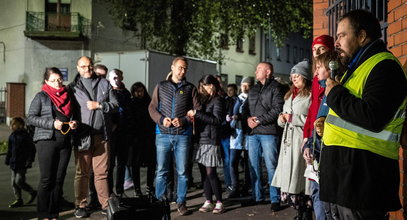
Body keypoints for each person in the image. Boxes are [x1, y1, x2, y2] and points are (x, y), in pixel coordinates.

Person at [320, 9, 407, 219]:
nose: (337, 43)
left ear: (361, 35)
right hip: (348, 177)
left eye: (342, 35)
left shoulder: (384, 66)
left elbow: (372, 117)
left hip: (363, 179)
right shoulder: (357, 67)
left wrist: (335, 93)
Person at [149, 57, 200, 216]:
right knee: (162, 171)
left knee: (183, 171)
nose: (182, 71)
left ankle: (181, 202)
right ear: (172, 67)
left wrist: (184, 120)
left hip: (183, 135)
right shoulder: (161, 86)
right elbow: (152, 107)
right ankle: (159, 203)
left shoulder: (191, 88)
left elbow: (197, 109)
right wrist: (161, 119)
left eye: (185, 68)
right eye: (180, 67)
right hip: (163, 134)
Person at [69, 56, 119, 218]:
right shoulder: (72, 88)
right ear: (78, 68)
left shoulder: (104, 83)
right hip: (82, 136)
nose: (87, 69)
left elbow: (116, 106)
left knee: (101, 173)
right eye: (83, 67)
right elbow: (66, 111)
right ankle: (81, 205)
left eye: (89, 66)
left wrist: (99, 105)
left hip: (102, 136)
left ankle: (105, 205)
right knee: (82, 173)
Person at [27, 67, 78, 220]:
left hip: (65, 142)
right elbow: (31, 117)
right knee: (46, 179)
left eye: (59, 79)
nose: (57, 83)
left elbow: (73, 114)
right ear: (46, 81)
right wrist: (51, 124)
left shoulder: (68, 95)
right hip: (46, 141)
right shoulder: (41, 96)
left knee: (58, 180)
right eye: (53, 80)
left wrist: (74, 123)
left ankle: (54, 213)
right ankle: (43, 214)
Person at [271, 60, 312, 219]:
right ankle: (298, 210)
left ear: (305, 77)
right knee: (290, 177)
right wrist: (281, 119)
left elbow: (312, 118)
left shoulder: (310, 95)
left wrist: (293, 118)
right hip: (288, 141)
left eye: (297, 75)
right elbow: (283, 117)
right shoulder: (289, 94)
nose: (294, 78)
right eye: (292, 76)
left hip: (300, 140)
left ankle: (306, 212)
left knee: (300, 176)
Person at [242, 62, 285, 211]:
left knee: (271, 166)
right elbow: (244, 108)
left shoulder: (276, 87)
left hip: (268, 133)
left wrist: (259, 120)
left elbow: (277, 109)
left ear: (267, 72)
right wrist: (247, 118)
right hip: (253, 134)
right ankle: (257, 196)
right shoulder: (253, 89)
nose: (255, 71)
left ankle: (275, 199)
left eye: (259, 69)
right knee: (253, 166)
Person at [301, 34, 334, 220]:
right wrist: (307, 137)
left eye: (321, 49)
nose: (316, 53)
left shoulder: (330, 78)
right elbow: (312, 110)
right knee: (315, 189)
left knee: (322, 192)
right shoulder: (316, 78)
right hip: (314, 136)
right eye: (314, 50)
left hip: (326, 138)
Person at [187, 74, 225, 214]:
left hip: (211, 139)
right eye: (201, 86)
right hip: (200, 139)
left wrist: (197, 113)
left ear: (212, 85)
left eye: (205, 86)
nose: (202, 89)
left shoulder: (218, 100)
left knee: (211, 173)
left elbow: (217, 120)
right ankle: (208, 200)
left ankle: (220, 201)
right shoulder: (203, 100)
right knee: (204, 173)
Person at [106, 69, 132, 196]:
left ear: (122, 77)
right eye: (112, 78)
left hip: (124, 133)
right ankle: (110, 191)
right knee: (110, 165)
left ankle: (120, 190)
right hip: (112, 133)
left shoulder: (127, 93)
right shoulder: (107, 92)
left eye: (117, 77)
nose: (115, 80)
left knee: (122, 163)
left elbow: (129, 112)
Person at [129, 82, 156, 196]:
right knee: (135, 164)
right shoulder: (131, 103)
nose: (139, 93)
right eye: (137, 91)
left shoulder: (149, 102)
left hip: (148, 137)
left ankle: (150, 186)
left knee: (152, 163)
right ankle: (137, 189)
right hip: (136, 139)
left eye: (141, 91)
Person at [228, 77, 253, 198]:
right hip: (236, 132)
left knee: (249, 162)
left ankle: (247, 186)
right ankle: (235, 186)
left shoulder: (253, 99)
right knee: (233, 161)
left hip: (248, 132)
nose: (245, 87)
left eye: (247, 85)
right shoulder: (235, 99)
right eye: (243, 85)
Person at [5, 117, 37, 208]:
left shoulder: (25, 136)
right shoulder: (12, 136)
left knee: (18, 181)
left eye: (13, 124)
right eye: (11, 124)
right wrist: (8, 159)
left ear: (20, 125)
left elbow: (32, 150)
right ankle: (19, 199)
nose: (11, 126)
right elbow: (10, 149)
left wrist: (29, 160)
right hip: (13, 163)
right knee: (13, 183)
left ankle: (32, 192)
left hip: (22, 163)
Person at [220, 84, 238, 191]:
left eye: (231, 90)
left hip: (234, 132)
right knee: (227, 159)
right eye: (228, 90)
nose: (229, 92)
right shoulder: (224, 101)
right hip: (226, 132)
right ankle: (228, 183)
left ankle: (233, 182)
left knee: (231, 160)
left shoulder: (237, 100)